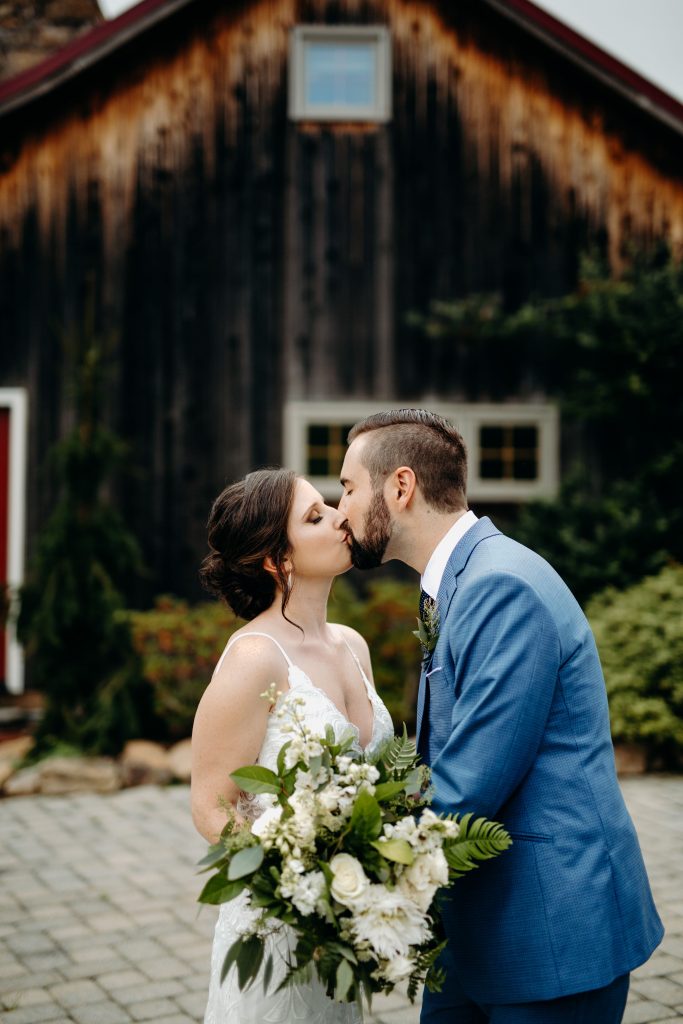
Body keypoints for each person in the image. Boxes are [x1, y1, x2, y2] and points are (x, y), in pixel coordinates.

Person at [338, 409, 663, 1024]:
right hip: (478, 918)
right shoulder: (460, 581)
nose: (341, 509)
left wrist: (343, 860)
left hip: (549, 927)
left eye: (349, 488)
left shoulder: (499, 586)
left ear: (400, 487)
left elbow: (469, 783)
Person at [191, 468, 394, 1024]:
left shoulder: (353, 644)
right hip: (280, 924)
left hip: (344, 919)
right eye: (314, 517)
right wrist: (293, 881)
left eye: (329, 504)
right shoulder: (255, 658)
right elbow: (211, 803)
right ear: (274, 559)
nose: (339, 517)